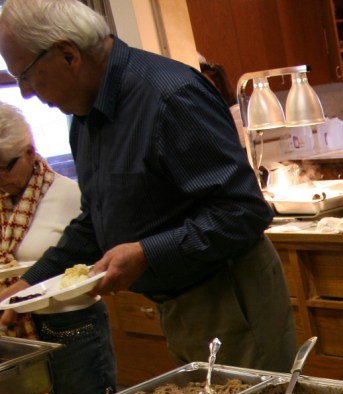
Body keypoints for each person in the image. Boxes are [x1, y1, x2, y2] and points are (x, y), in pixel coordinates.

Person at [0, 0, 297, 373]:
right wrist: (27, 285)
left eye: (24, 75)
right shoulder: (85, 119)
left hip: (228, 295)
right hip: (179, 301)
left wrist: (147, 253)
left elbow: (243, 213)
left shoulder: (169, 97)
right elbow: (95, 220)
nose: (25, 92)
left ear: (67, 55)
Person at [0, 103, 115, 394]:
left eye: (5, 166)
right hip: (17, 331)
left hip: (70, 325)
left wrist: (15, 296)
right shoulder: (3, 203)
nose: (0, 177)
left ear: (29, 151)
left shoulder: (69, 195)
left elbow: (80, 257)